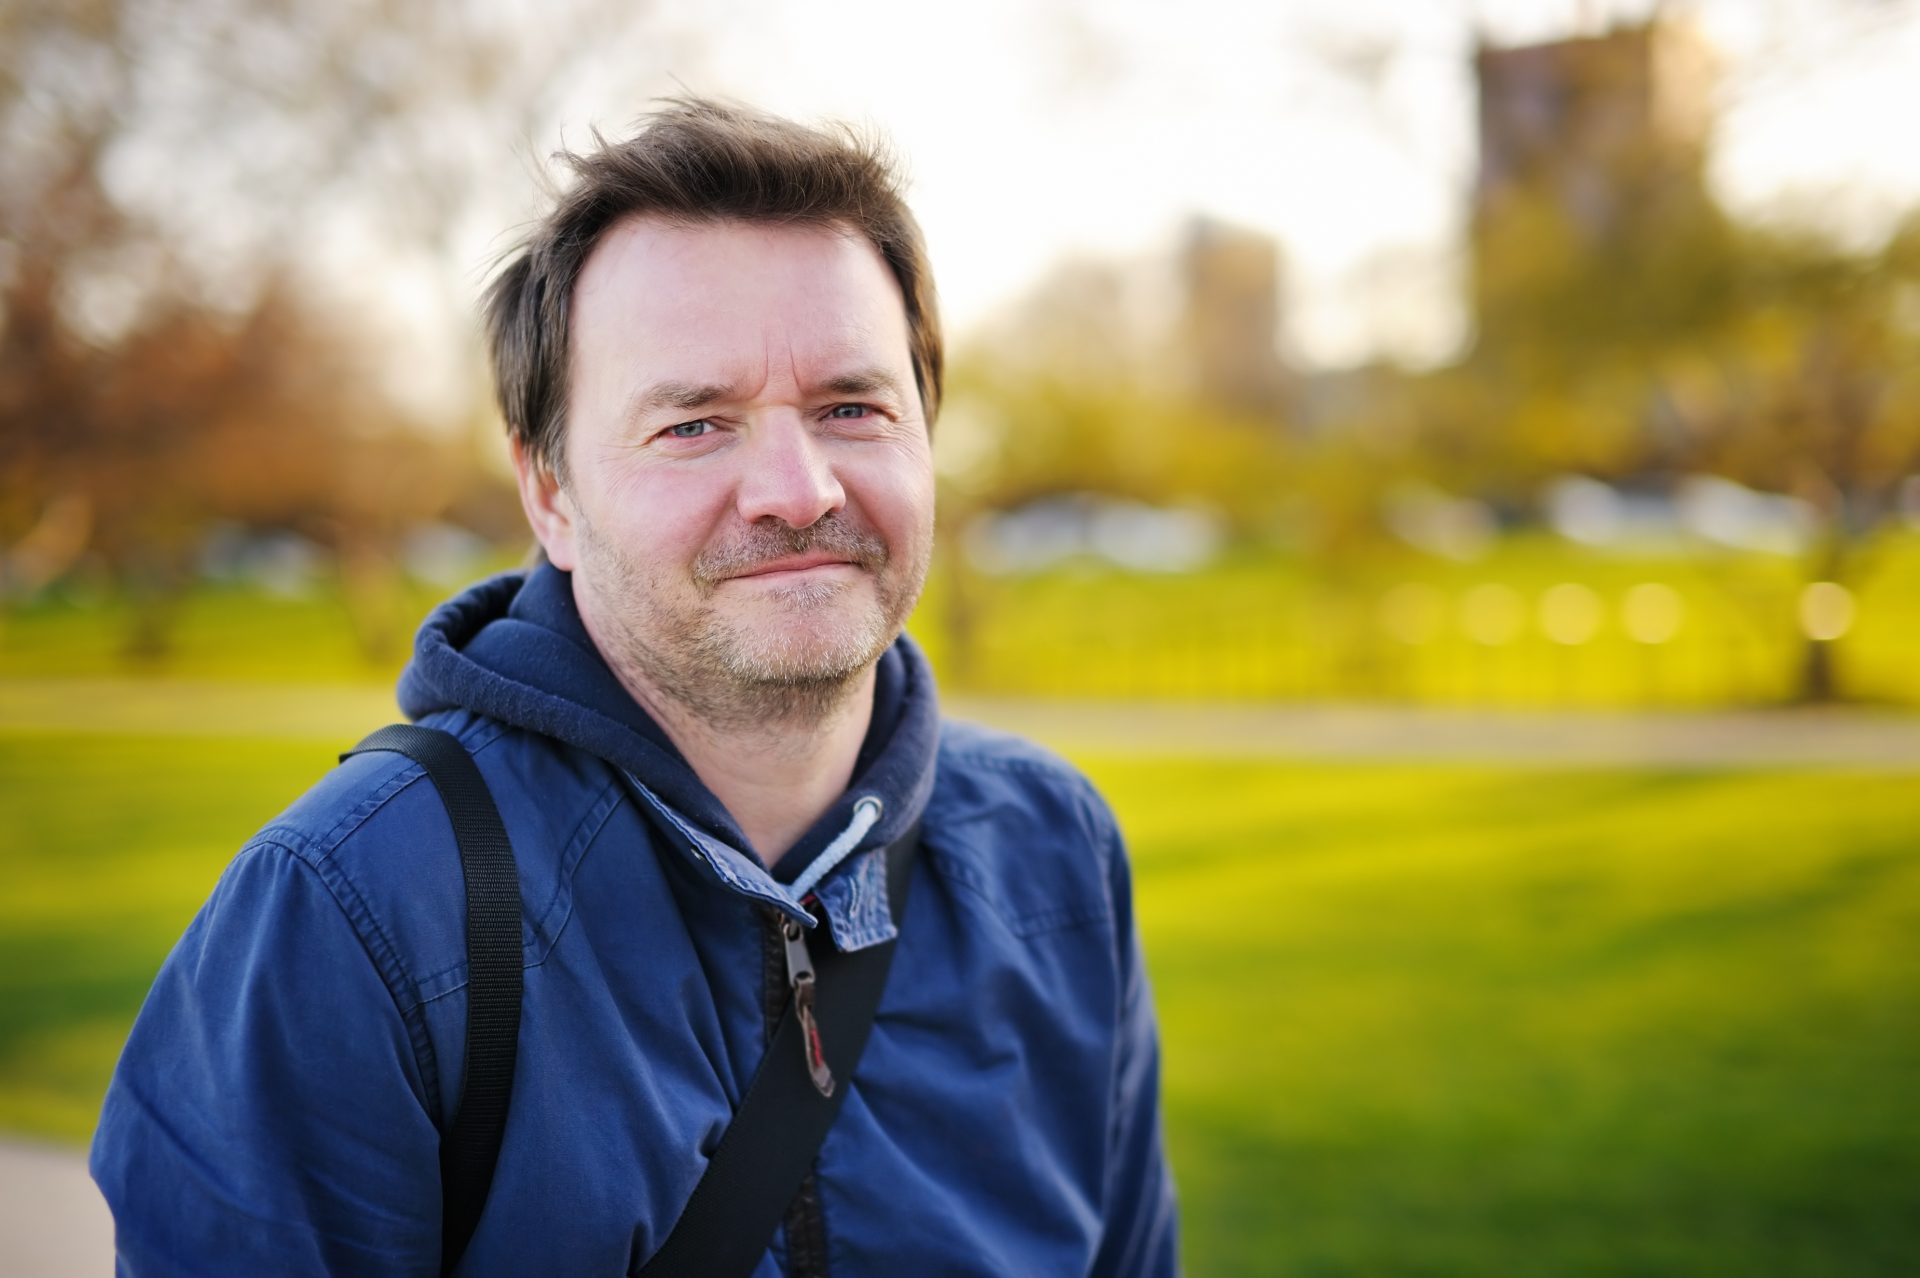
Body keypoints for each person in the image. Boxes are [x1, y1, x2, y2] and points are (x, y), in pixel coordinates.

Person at [90, 97, 1178, 1276]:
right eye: (696, 425)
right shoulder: (349, 913)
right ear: (548, 492)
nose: (797, 489)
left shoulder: (1054, 853)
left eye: (851, 407)